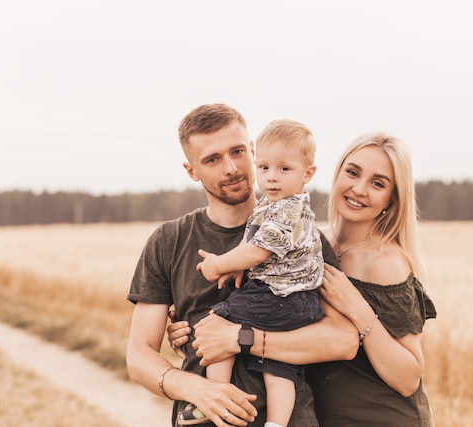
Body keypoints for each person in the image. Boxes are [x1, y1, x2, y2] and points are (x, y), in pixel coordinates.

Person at [172, 131, 437, 426]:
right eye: (352, 173)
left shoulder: (385, 262)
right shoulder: (312, 244)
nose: (359, 189)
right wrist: (189, 325)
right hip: (325, 415)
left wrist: (359, 311)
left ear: (391, 198)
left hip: (381, 419)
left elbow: (409, 378)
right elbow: (273, 309)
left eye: (378, 183)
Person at [126, 103, 358, 427]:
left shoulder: (303, 237)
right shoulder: (169, 240)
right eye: (212, 159)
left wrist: (242, 338)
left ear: (251, 150)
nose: (231, 167)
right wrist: (200, 390)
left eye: (237, 151)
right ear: (191, 170)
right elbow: (138, 357)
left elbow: (344, 340)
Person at [182, 119, 324, 427]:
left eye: (284, 169)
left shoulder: (287, 209)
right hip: (295, 300)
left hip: (278, 296)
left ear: (308, 174)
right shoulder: (275, 206)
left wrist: (220, 264)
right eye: (265, 168)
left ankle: (217, 395)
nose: (272, 177)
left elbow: (259, 250)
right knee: (278, 366)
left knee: (217, 323)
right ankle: (275, 423)